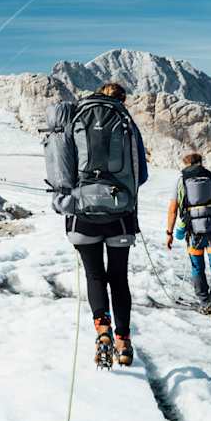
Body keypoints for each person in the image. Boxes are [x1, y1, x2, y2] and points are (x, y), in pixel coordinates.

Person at [66, 82, 148, 367]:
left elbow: (63, 168)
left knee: (94, 276)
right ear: (122, 100)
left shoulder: (76, 118)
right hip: (120, 215)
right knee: (118, 278)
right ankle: (123, 341)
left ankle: (102, 331)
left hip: (82, 215)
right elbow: (141, 175)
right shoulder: (126, 123)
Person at [166, 152, 211, 320]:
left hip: (193, 231)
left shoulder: (181, 181)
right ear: (201, 163)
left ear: (186, 164)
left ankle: (205, 303)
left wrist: (169, 233)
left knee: (197, 267)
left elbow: (173, 210)